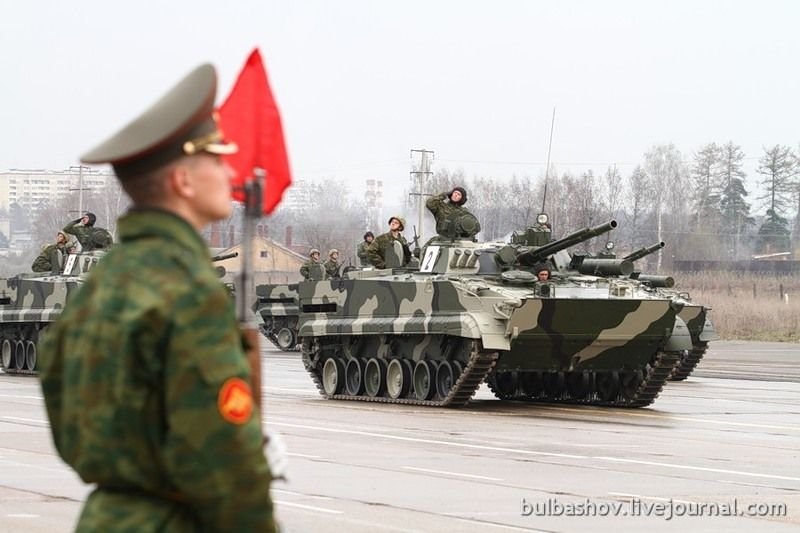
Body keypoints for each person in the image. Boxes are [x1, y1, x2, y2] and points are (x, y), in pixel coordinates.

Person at [38, 64, 278, 531]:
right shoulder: (187, 289)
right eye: (216, 159)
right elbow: (225, 461)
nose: (229, 170)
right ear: (183, 182)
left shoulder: (106, 281)